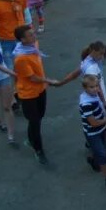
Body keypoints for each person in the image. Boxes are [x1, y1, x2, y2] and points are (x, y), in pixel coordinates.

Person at [12, 24, 65, 164]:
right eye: (30, 35)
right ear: (22, 40)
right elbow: (32, 78)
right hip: (28, 94)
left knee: (38, 118)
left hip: (40, 90)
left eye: (33, 33)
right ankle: (38, 149)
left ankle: (31, 139)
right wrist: (50, 81)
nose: (34, 35)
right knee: (34, 121)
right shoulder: (21, 58)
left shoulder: (33, 46)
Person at [77, 73, 106, 193]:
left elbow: (100, 98)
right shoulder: (86, 104)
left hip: (102, 128)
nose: (96, 88)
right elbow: (93, 123)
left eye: (96, 85)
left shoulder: (94, 95)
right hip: (93, 132)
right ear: (85, 88)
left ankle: (94, 160)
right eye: (92, 87)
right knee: (101, 154)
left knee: (102, 149)